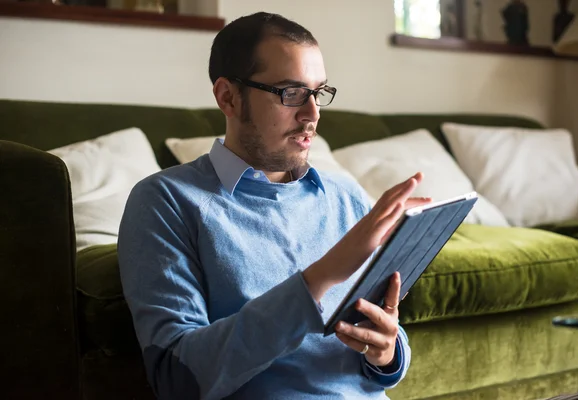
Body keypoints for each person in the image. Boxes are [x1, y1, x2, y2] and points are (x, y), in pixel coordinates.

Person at [118, 11, 429, 400]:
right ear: (228, 97)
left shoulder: (344, 194)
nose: (312, 114)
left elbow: (383, 335)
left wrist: (387, 351)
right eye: (291, 93)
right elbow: (177, 379)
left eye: (318, 93)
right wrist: (324, 274)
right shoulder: (165, 202)